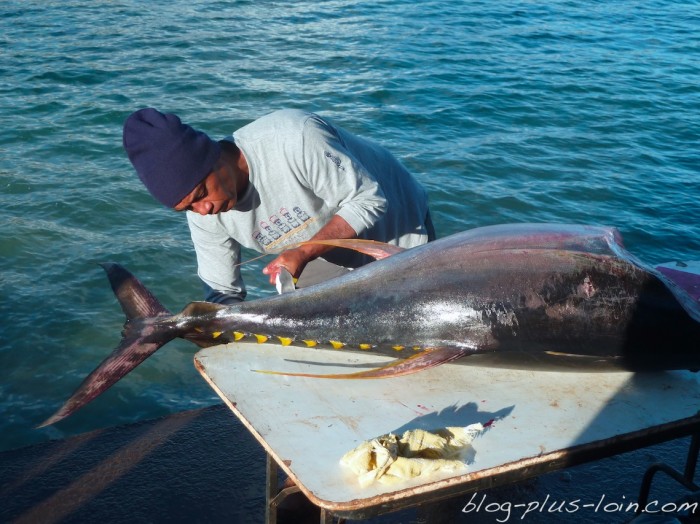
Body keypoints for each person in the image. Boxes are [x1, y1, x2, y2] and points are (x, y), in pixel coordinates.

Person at [123, 108, 434, 304]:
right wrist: (213, 329)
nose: (202, 210)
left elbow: (368, 200)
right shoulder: (203, 213)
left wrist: (302, 252)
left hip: (396, 228)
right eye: (187, 208)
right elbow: (222, 291)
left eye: (201, 194)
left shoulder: (294, 137)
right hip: (316, 255)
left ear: (215, 157)